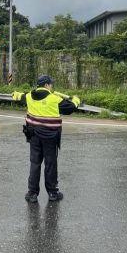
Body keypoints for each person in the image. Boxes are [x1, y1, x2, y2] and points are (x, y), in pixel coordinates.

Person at [12, 75, 81, 203]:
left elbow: (18, 96)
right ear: (46, 85)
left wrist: (15, 93)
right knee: (50, 164)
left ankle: (32, 193)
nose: (52, 86)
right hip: (50, 136)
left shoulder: (29, 96)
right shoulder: (54, 99)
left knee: (35, 163)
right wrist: (76, 100)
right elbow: (71, 108)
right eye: (51, 84)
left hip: (33, 135)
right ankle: (53, 193)